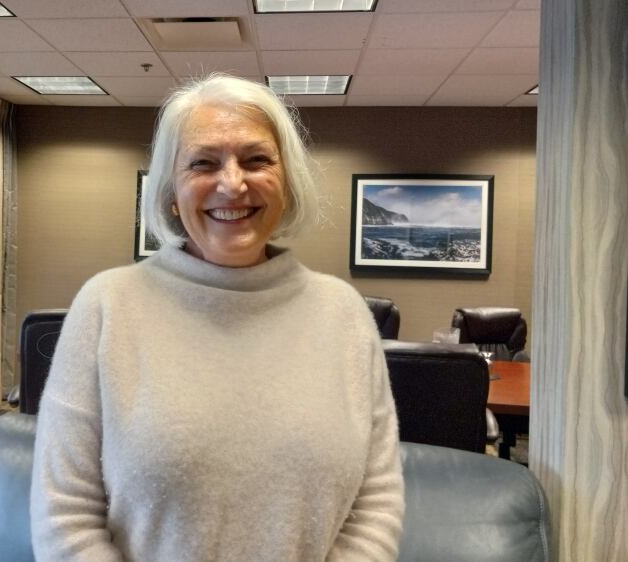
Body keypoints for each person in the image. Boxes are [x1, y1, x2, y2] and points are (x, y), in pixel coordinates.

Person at [31, 74, 404, 561]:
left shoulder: (345, 316)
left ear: (287, 183)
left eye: (256, 160)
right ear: (171, 188)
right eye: (204, 162)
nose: (233, 183)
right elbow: (63, 513)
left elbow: (375, 504)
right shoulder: (106, 306)